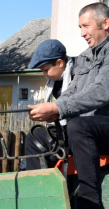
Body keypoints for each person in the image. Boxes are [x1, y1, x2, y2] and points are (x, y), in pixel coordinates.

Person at [26, 2, 109, 209]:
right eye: (80, 27)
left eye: (85, 26)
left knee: (78, 126)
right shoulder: (86, 57)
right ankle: (41, 205)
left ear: (105, 23)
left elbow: (102, 92)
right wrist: (51, 108)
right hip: (96, 128)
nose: (82, 33)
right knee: (36, 139)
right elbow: (74, 92)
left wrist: (59, 109)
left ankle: (90, 205)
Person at [21, 39, 75, 171]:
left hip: (78, 131)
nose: (45, 75)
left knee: (41, 149)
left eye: (46, 70)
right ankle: (34, 179)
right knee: (34, 136)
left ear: (60, 63)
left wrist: (54, 112)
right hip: (63, 130)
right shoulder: (55, 81)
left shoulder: (79, 75)